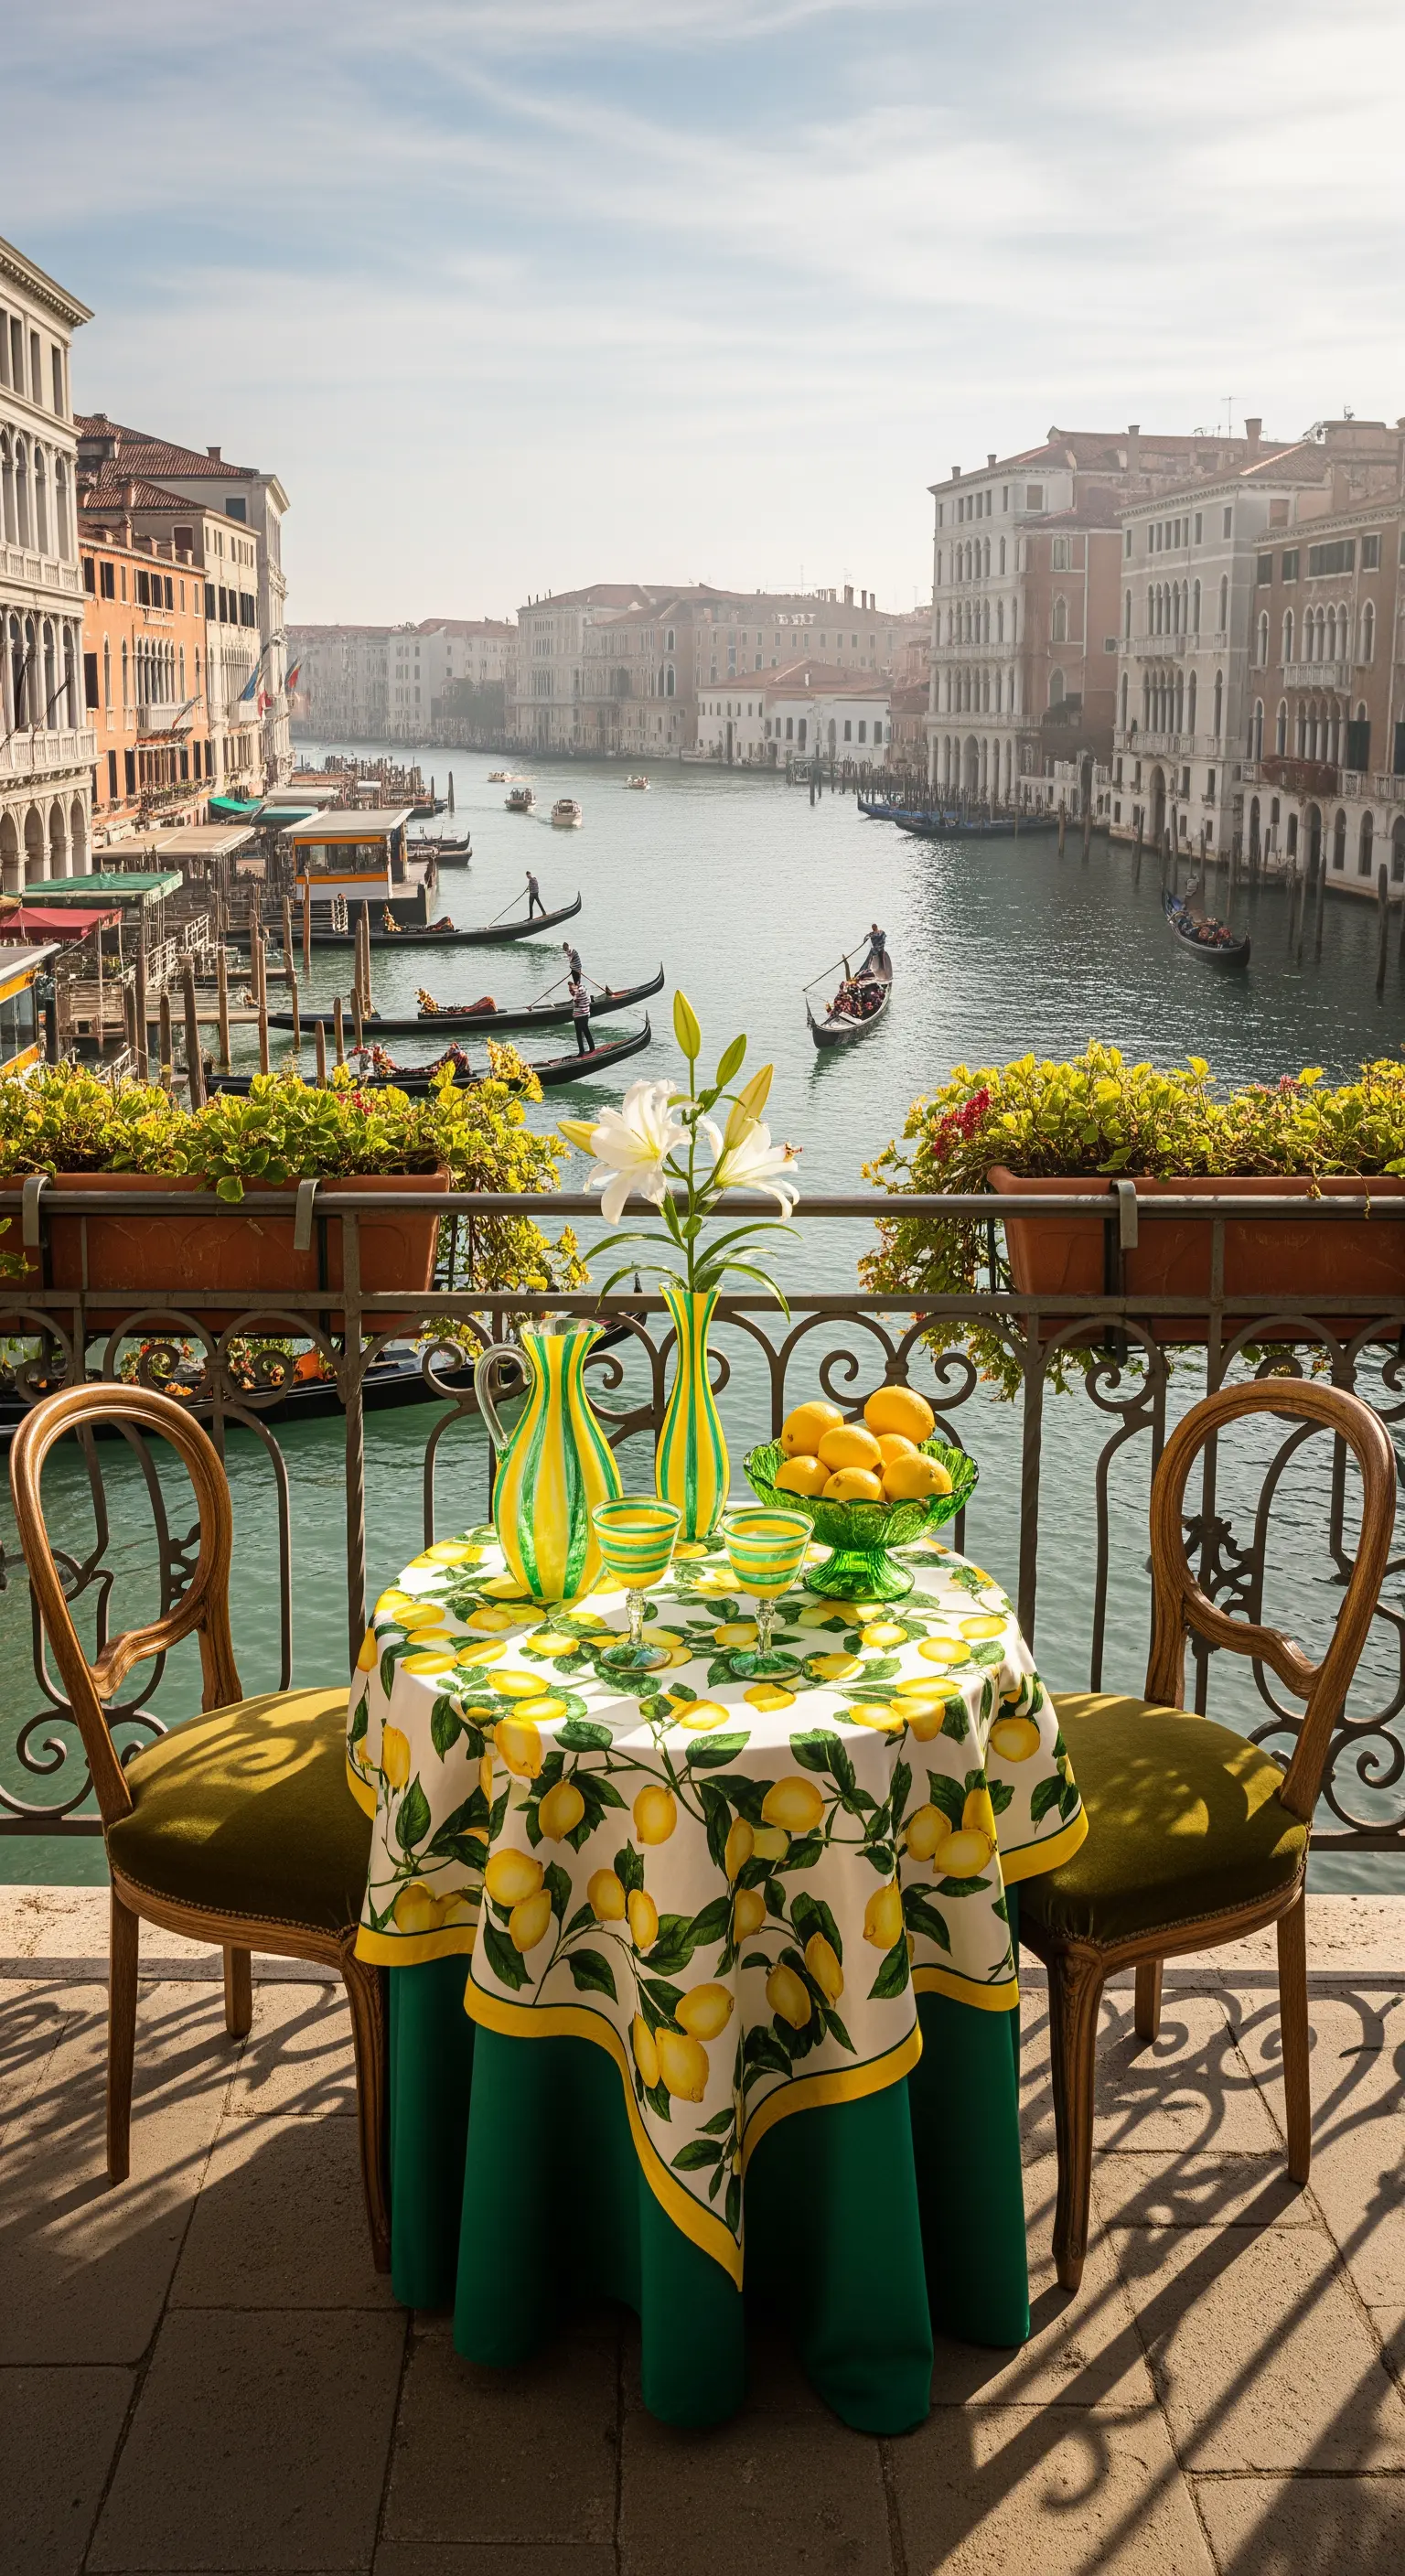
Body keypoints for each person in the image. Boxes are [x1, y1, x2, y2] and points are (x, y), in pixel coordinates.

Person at [570, 974, 594, 1056]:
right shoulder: (584, 989)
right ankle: (592, 1048)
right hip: (585, 1013)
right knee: (586, 1031)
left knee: (579, 1034)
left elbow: (574, 1002)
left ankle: (581, 1052)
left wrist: (572, 990)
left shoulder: (578, 991)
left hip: (579, 1015)